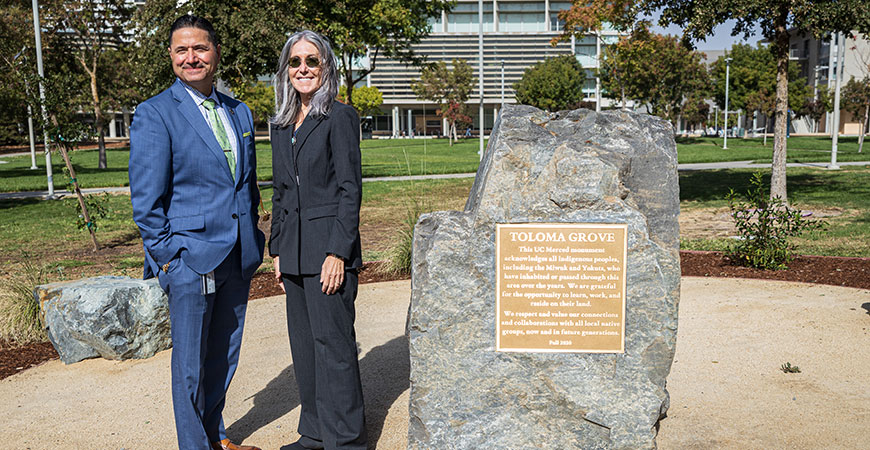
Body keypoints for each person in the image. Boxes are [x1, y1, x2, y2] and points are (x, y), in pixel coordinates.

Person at [129, 14, 265, 450]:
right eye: (182, 50)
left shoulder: (238, 111)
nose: (192, 57)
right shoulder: (155, 114)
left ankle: (214, 435)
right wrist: (170, 258)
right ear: (171, 56)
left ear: (216, 52)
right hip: (189, 258)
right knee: (189, 367)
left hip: (237, 255)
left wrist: (255, 240)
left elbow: (246, 184)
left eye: (200, 48)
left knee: (224, 355)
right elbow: (146, 201)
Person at [269, 30, 367, 450]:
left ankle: (345, 441)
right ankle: (314, 433)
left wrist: (337, 253)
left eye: (312, 60)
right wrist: (276, 249)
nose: (303, 68)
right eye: (295, 62)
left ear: (326, 67)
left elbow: (350, 189)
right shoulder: (281, 123)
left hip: (328, 251)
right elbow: (279, 190)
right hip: (292, 253)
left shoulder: (339, 117)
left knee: (334, 347)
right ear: (286, 70)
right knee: (306, 349)